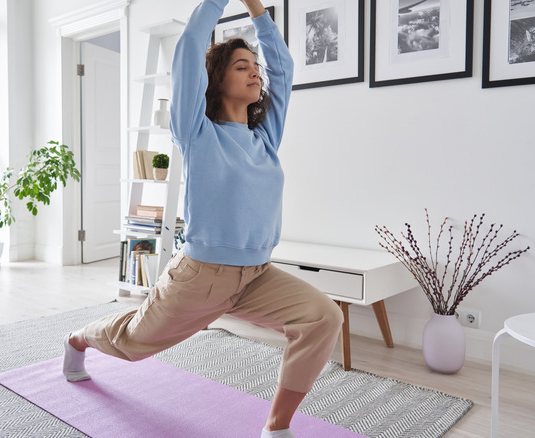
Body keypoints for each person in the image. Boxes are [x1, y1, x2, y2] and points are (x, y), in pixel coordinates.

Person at [62, 1, 343, 436]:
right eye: (241, 66)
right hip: (200, 278)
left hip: (257, 276)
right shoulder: (197, 132)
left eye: (255, 67)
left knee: (324, 316)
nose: (255, 72)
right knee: (133, 343)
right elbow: (191, 47)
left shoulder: (264, 138)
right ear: (217, 81)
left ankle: (276, 427)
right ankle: (79, 338)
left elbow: (283, 69)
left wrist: (257, 10)